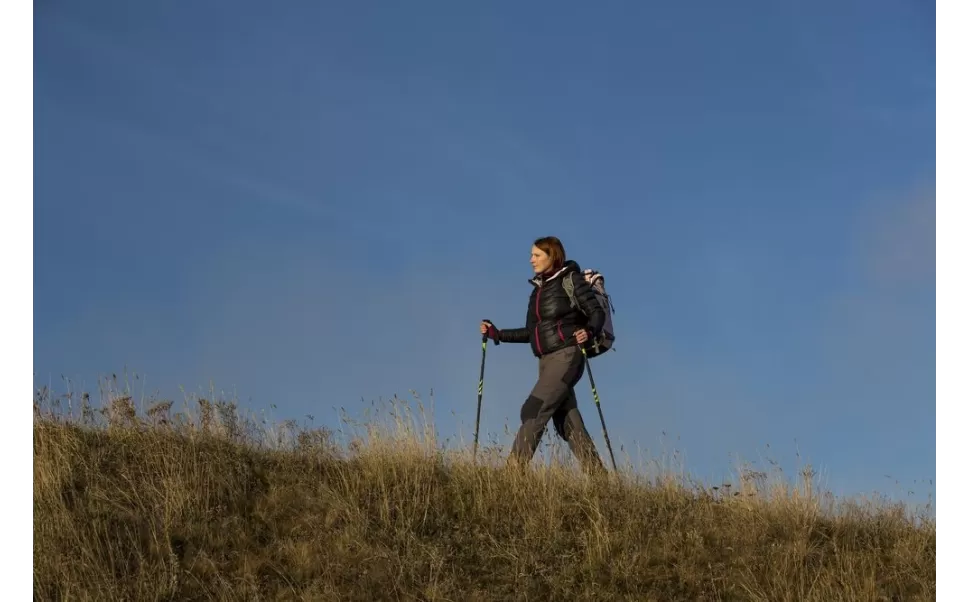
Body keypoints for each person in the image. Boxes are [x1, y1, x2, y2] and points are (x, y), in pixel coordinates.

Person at [480, 236, 607, 474]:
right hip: (546, 362)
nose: (532, 260)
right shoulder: (537, 292)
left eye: (537, 255)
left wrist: (588, 331)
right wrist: (497, 334)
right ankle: (599, 478)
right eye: (531, 255)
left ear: (553, 256)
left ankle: (512, 474)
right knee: (566, 420)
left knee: (533, 409)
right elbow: (531, 332)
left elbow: (596, 313)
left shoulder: (570, 280)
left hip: (567, 356)